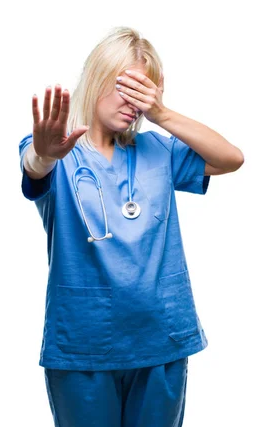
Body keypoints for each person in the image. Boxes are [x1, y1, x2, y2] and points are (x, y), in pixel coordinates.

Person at [19, 27, 243, 427]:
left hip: (162, 340)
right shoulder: (59, 150)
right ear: (97, 78)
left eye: (146, 92)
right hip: (83, 344)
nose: (135, 102)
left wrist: (162, 114)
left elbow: (231, 158)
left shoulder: (160, 149)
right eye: (127, 87)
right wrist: (44, 153)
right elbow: (34, 168)